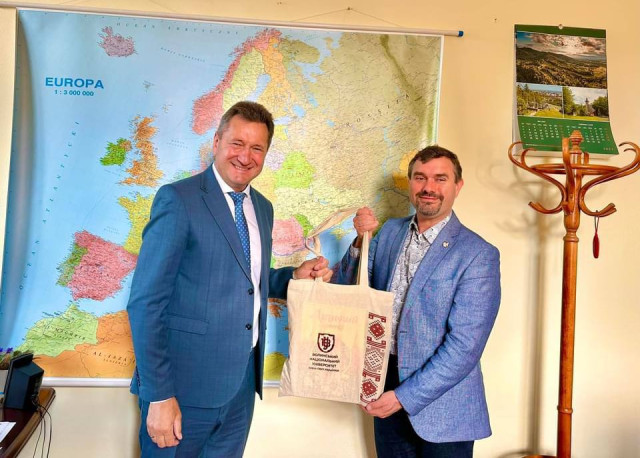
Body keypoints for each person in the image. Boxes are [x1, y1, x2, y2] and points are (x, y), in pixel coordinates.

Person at [127, 100, 332, 457]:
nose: (245, 156)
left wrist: (293, 277)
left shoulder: (262, 207)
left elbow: (247, 277)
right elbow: (146, 303)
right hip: (181, 388)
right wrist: (158, 395)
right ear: (217, 141)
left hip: (241, 387)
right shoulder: (178, 200)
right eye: (237, 143)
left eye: (257, 148)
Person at [335, 145, 501, 457]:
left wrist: (402, 397)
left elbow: (465, 346)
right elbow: (347, 291)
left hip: (445, 408)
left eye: (440, 179)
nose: (428, 187)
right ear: (411, 183)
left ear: (458, 186)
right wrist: (360, 241)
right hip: (384, 385)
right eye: (420, 177)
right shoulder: (389, 232)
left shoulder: (478, 254)